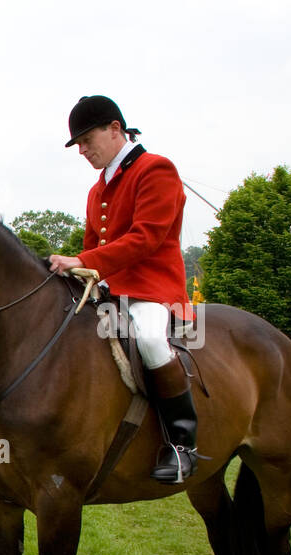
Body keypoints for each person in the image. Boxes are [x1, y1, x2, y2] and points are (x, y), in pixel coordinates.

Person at [48, 95, 200, 484]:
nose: (82, 151)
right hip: (109, 290)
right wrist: (73, 267)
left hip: (153, 289)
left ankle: (182, 445)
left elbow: (146, 238)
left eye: (86, 140)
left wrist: (86, 260)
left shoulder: (156, 170)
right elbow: (94, 246)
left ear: (115, 129)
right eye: (77, 145)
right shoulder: (98, 188)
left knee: (150, 339)